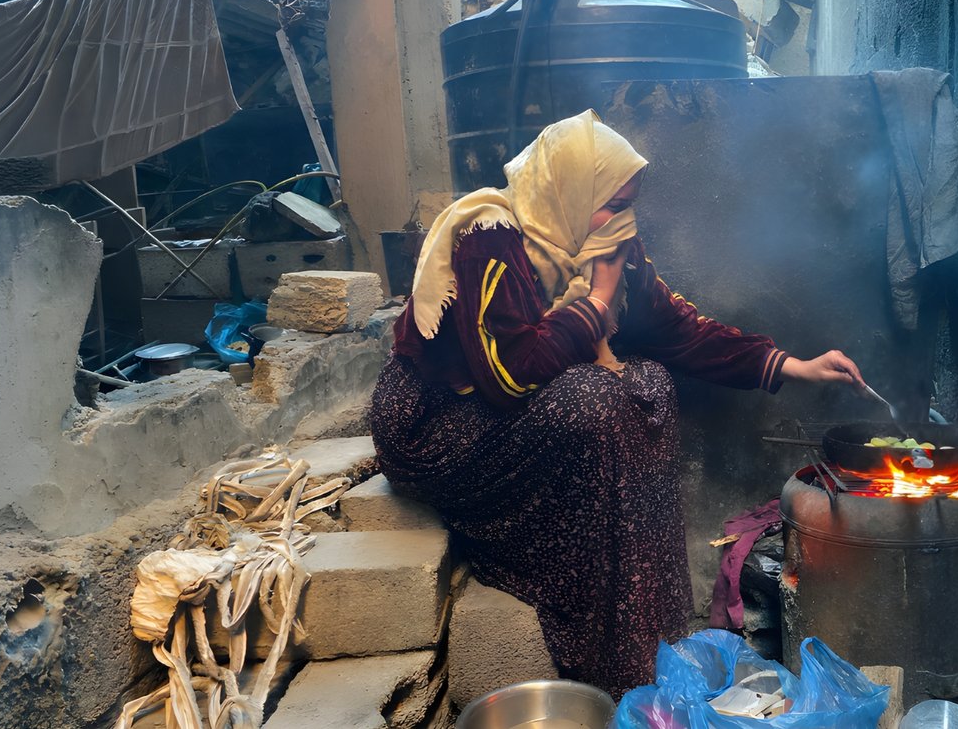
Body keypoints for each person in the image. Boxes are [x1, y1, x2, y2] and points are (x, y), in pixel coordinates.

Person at [369, 110, 863, 695]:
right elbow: (508, 376)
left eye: (628, 203)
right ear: (569, 189)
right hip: (435, 428)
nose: (620, 219)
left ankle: (642, 617)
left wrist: (793, 365)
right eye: (609, 203)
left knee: (648, 382)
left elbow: (678, 330)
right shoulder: (491, 233)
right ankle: (582, 603)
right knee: (595, 398)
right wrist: (599, 303)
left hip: (505, 426)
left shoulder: (605, 242)